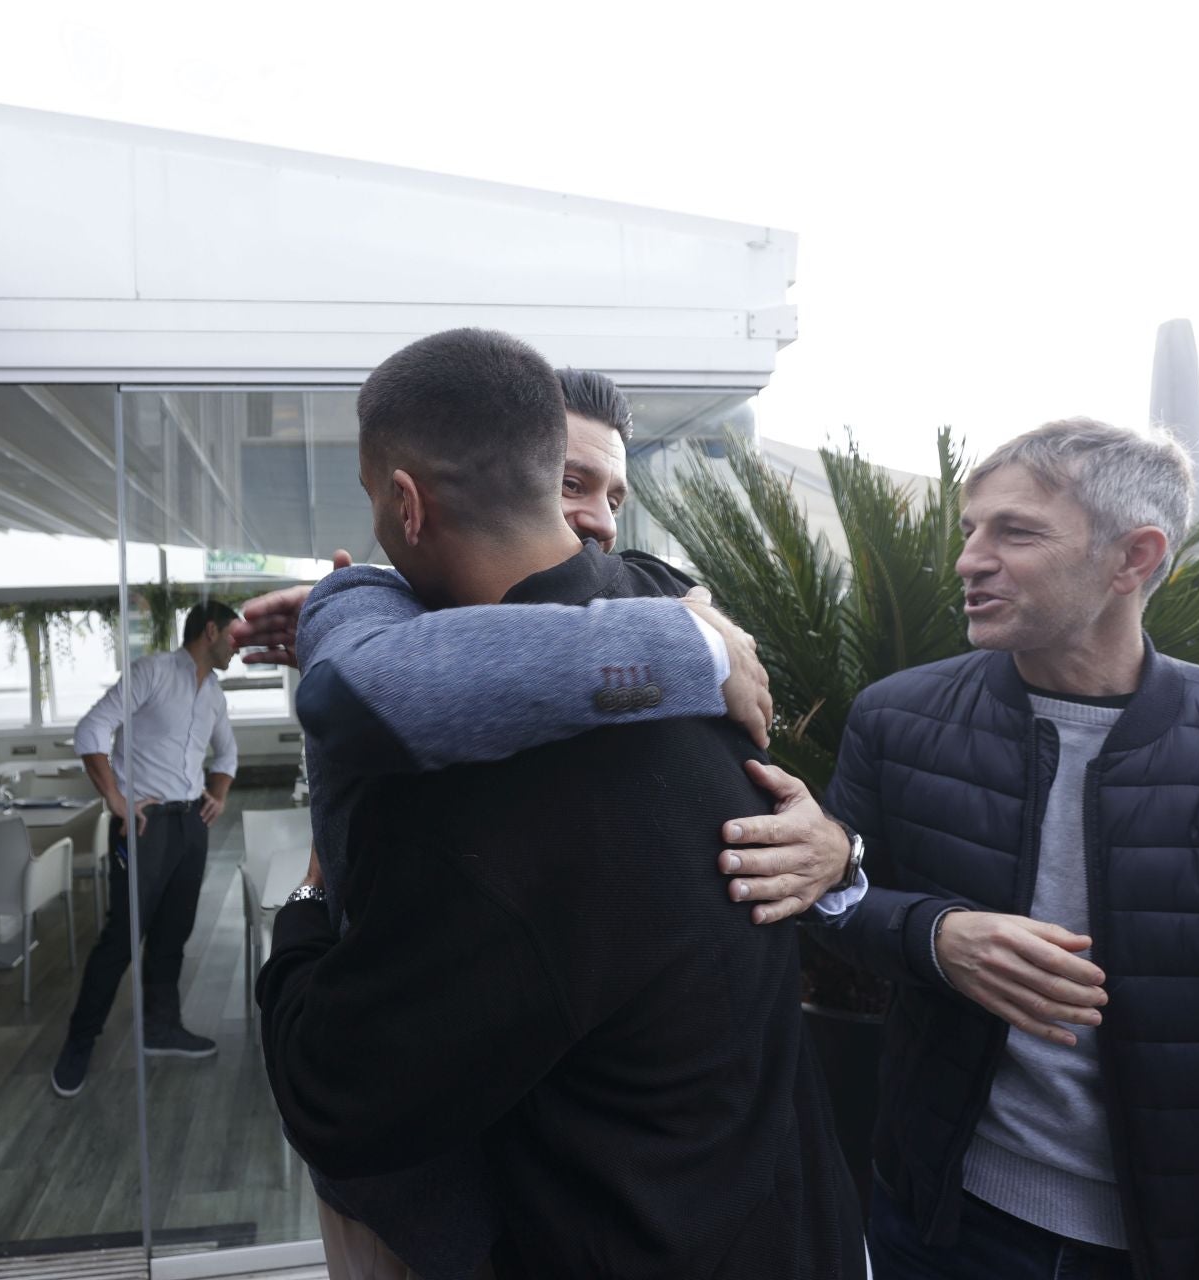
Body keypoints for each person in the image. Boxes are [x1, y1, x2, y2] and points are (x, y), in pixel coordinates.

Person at [730, 419, 1199, 1279]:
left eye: (1016, 531)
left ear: (1134, 558)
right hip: (934, 1228)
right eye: (970, 529)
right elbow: (841, 903)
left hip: (1176, 1250)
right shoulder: (898, 719)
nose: (971, 558)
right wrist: (937, 938)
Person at [258, 329, 864, 1280]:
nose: (602, 517)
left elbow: (337, 1093)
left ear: (406, 504)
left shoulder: (469, 798)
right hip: (790, 1215)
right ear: (546, 476)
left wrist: (303, 905)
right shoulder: (705, 651)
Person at [50, 598, 240, 1094]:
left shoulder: (214, 692)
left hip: (189, 827)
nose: (238, 648)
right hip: (144, 826)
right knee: (121, 938)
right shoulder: (153, 672)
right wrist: (115, 798)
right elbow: (90, 729)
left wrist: (217, 795)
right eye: (234, 637)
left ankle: (161, 1027)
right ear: (211, 631)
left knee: (173, 935)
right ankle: (78, 1045)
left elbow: (228, 752)